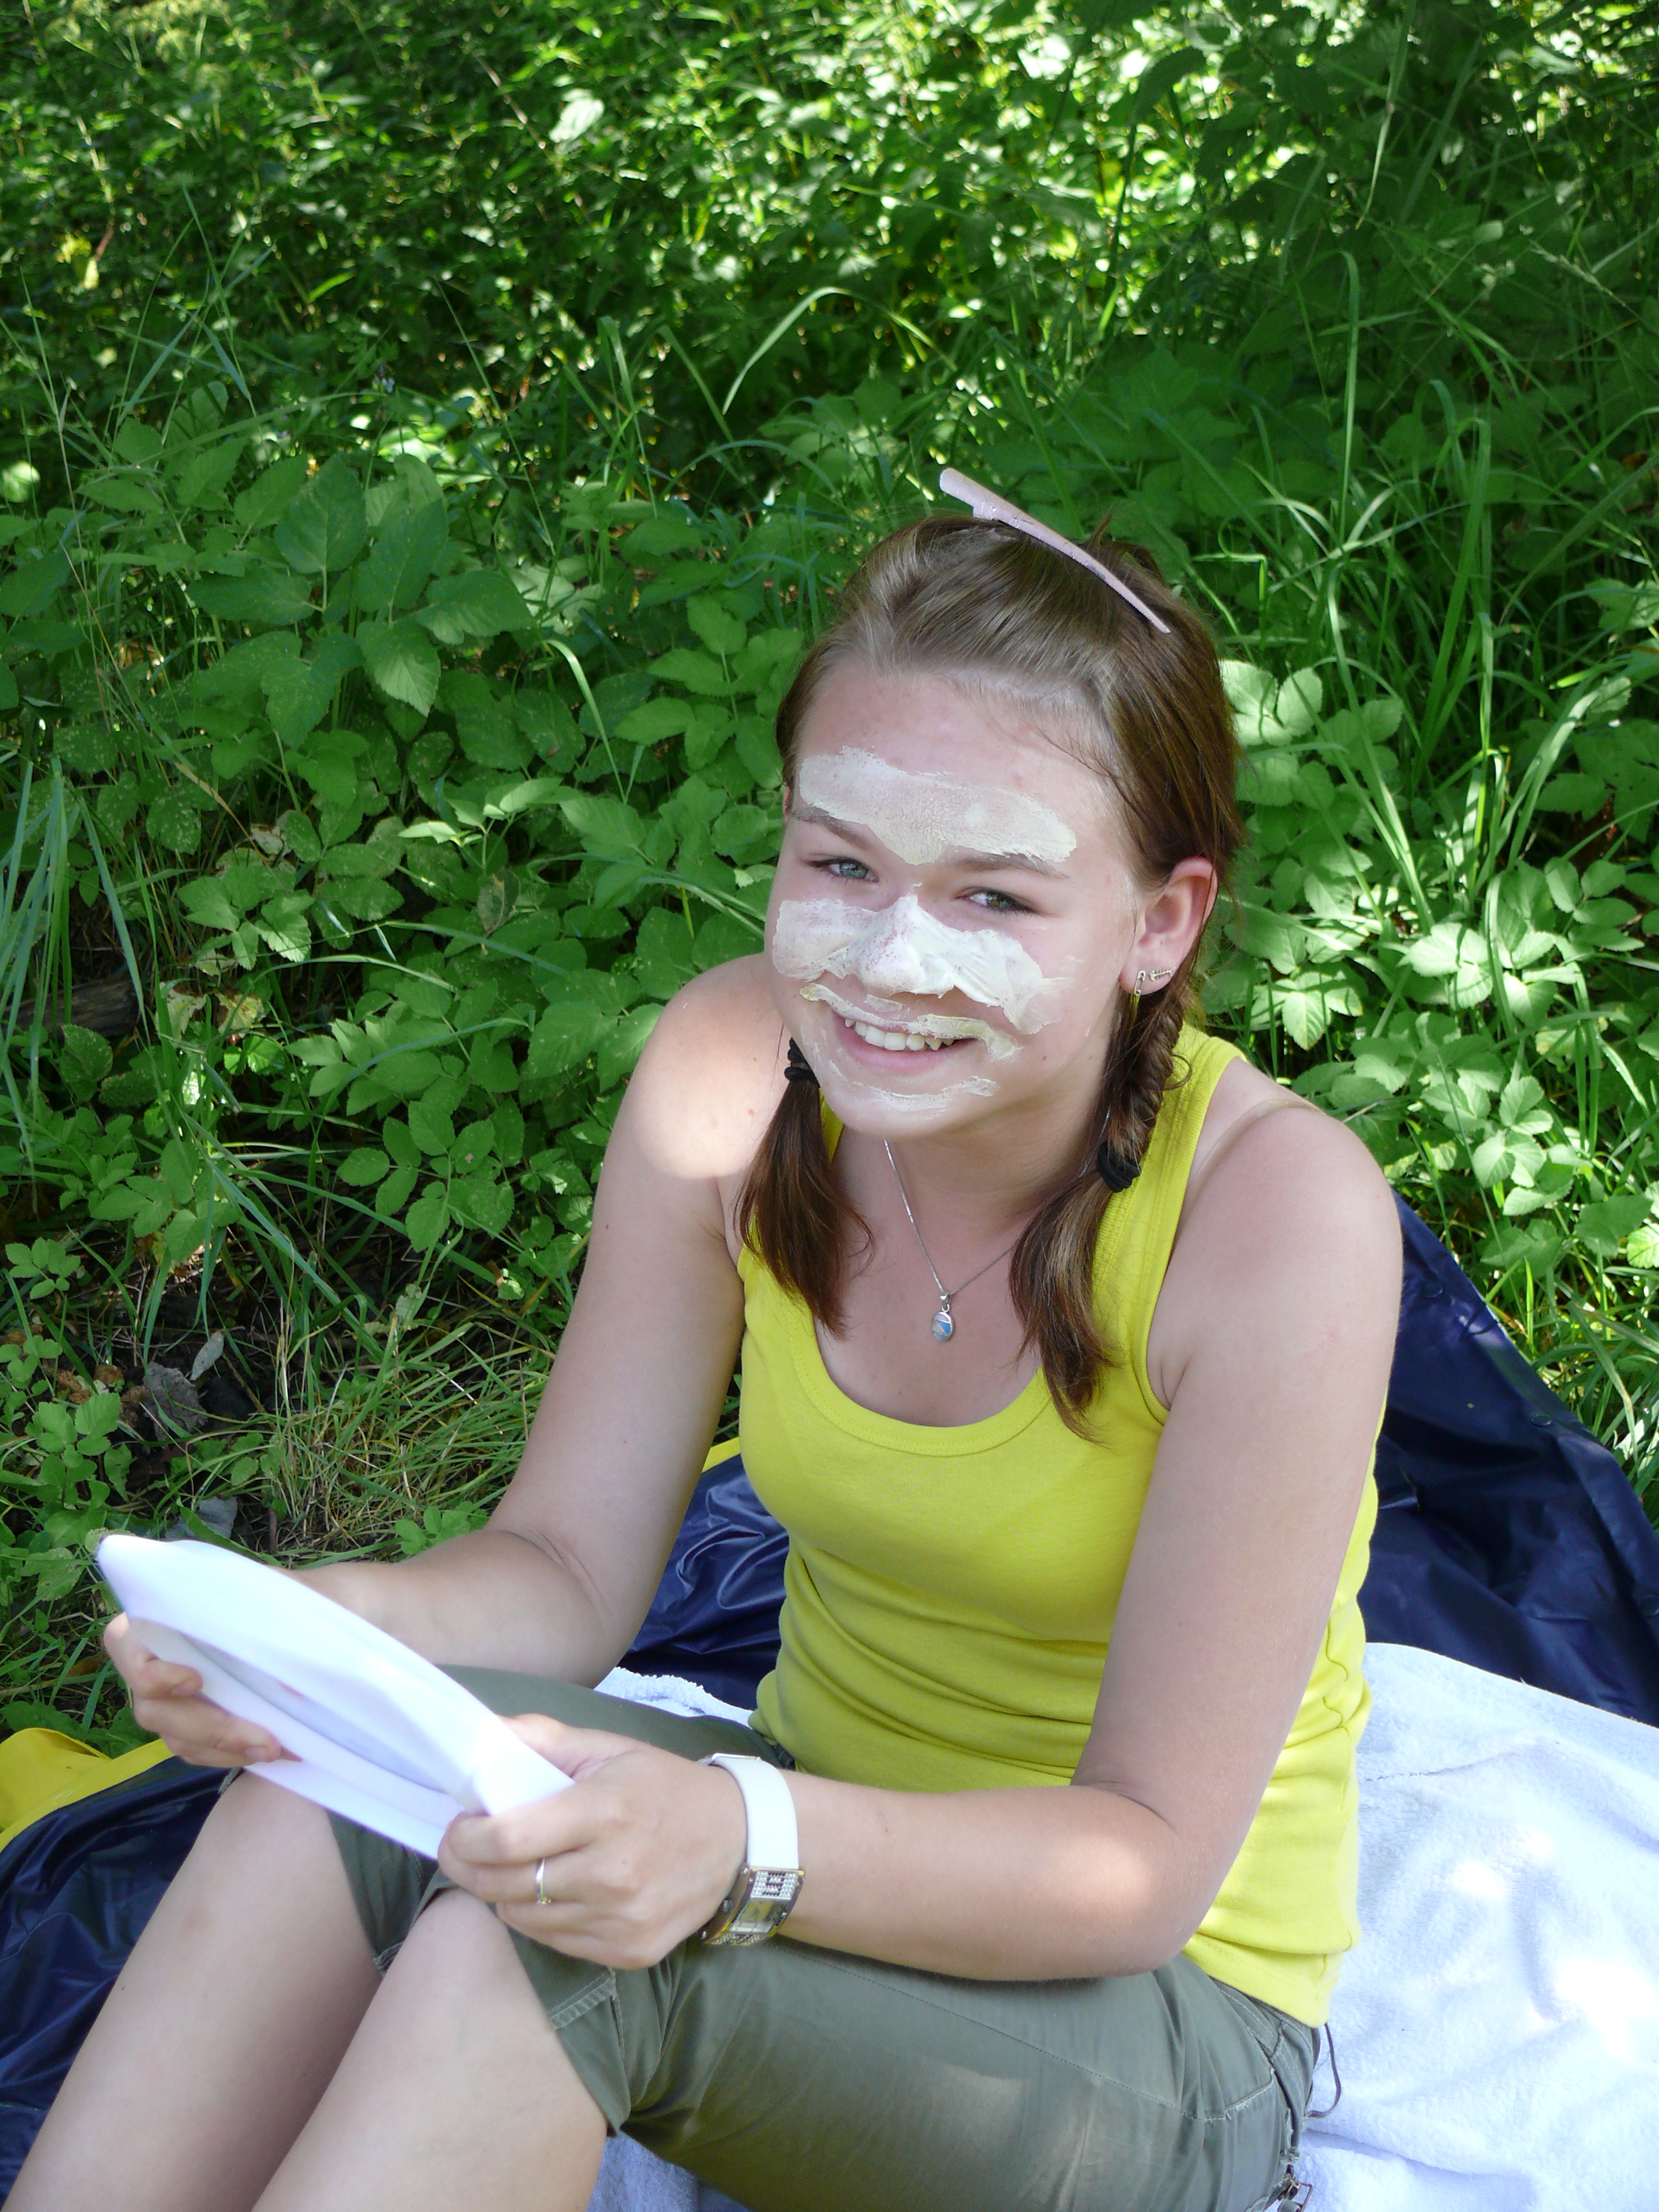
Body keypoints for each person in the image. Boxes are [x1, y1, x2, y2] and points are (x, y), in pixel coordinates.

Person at [13, 475, 1401, 2212]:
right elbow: (564, 1568)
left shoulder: (1276, 1220)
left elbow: (1140, 1868)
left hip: (1153, 2021)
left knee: (554, 1949)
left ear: (1159, 924)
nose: (893, 958)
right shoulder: (737, 1071)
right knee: (341, 1787)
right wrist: (311, 1641)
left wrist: (744, 1841)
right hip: (817, 1820)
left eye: (994, 898)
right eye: (843, 865)